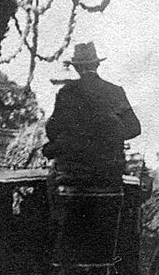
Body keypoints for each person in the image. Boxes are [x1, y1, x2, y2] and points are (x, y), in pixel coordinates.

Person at [42, 42, 141, 187]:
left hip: (73, 174)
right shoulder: (115, 92)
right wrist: (108, 136)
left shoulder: (66, 92)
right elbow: (134, 128)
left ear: (76, 67)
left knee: (45, 189)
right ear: (97, 65)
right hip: (109, 174)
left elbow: (52, 130)